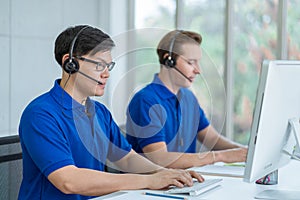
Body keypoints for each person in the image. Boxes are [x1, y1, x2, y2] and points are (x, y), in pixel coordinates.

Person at [18, 25, 204, 200]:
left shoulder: (99, 112)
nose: (106, 73)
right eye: (99, 65)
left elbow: (127, 159)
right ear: (70, 63)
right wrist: (149, 181)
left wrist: (163, 173)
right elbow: (69, 180)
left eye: (109, 66)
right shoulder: (40, 115)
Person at [126, 30, 248, 169]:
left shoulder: (188, 98)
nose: (198, 70)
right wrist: (220, 156)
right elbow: (160, 159)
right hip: (147, 188)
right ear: (169, 61)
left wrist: (244, 152)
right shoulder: (145, 100)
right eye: (191, 62)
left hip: (184, 183)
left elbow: (212, 139)